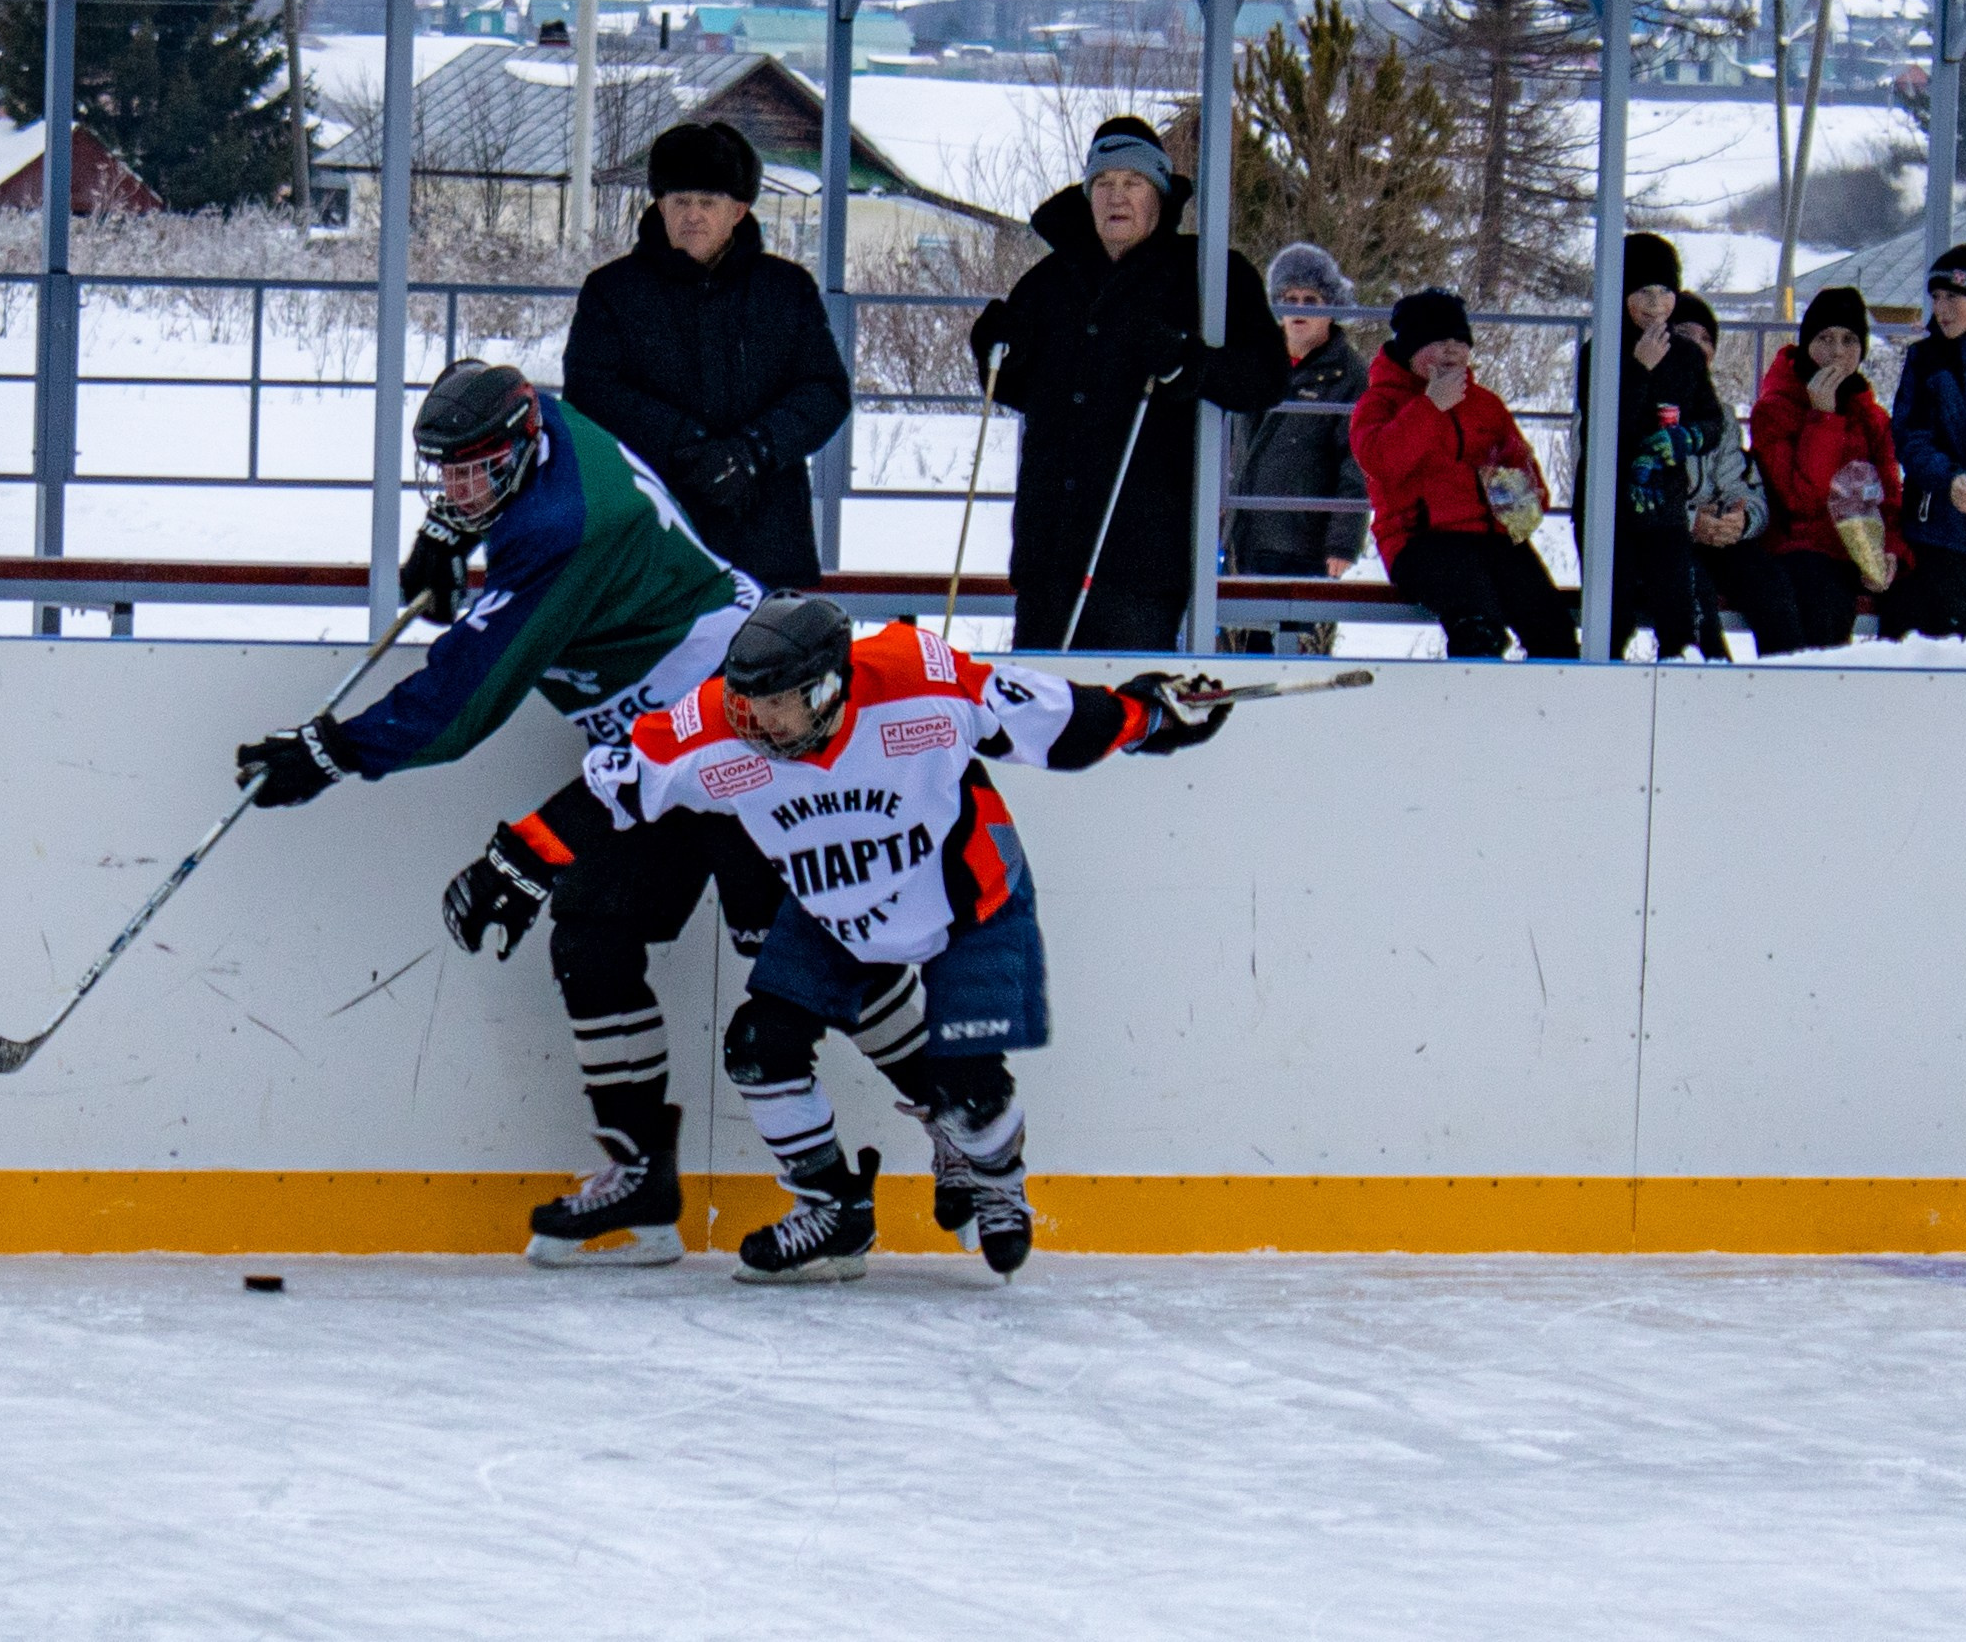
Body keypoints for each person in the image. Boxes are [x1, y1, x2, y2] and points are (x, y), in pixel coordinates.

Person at [446, 595, 1232, 1282]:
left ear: (828, 686)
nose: (755, 725)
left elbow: (1059, 723)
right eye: (744, 705)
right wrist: (511, 862)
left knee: (968, 1095)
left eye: (776, 707)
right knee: (758, 1050)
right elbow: (605, 791)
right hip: (833, 915)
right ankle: (829, 1205)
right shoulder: (714, 727)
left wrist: (1154, 714)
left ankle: (994, 1172)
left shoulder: (917, 679)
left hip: (967, 903)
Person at [233, 360, 776, 1270]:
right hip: (646, 751)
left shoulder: (568, 526)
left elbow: (463, 703)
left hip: (736, 731)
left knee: (806, 961)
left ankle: (968, 1139)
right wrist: (448, 531)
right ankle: (643, 1184)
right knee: (592, 935)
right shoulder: (533, 426)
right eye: (444, 473)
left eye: (471, 474)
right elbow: (485, 506)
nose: (458, 487)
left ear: (522, 450)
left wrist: (332, 751)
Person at [968, 117, 1289, 651]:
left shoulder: (1209, 274)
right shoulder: (1046, 283)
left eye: (1133, 183)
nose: (1117, 197)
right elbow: (1015, 391)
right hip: (1049, 545)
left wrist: (1190, 364)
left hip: (1143, 546)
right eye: (1104, 184)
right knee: (1041, 704)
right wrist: (994, 352)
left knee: (1123, 707)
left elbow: (1266, 378)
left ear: (1160, 196)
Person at [561, 123, 849, 591]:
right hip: (652, 536)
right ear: (659, 205)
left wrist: (754, 450)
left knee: (766, 661)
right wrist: (683, 443)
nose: (692, 215)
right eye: (679, 201)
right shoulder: (612, 291)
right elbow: (590, 390)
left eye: (707, 202)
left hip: (767, 538)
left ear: (738, 210)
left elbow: (825, 392)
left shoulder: (786, 289)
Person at [1350, 289, 1578, 660]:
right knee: (1477, 627)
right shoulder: (1381, 402)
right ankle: (1467, 708)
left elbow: (1528, 478)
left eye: (1460, 341)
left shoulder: (1485, 404)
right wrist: (1430, 406)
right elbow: (1380, 462)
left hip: (1495, 539)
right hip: (1420, 540)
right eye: (1438, 341)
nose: (1452, 350)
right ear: (1411, 348)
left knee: (1553, 630)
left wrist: (1515, 493)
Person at [1574, 232, 1726, 660]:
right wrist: (1639, 369)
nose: (1656, 303)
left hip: (1665, 510)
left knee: (1680, 622)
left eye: (1665, 291)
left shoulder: (1687, 356)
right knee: (1611, 622)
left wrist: (1687, 437)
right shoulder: (1599, 352)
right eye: (1643, 291)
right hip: (1608, 510)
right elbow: (1605, 427)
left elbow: (1712, 421)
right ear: (1620, 294)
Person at [1227, 242, 1370, 653]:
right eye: (1289, 299)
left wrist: (1344, 539)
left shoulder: (1347, 372)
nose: (1300, 308)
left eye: (1311, 299)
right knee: (1240, 650)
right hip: (1245, 534)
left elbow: (1356, 460)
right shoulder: (1256, 358)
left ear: (1332, 305)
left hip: (1305, 540)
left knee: (1300, 650)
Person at [1747, 287, 1907, 652]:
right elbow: (1799, 499)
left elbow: (1890, 497)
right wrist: (1823, 417)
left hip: (1860, 546)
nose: (1837, 351)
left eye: (1849, 339)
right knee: (1820, 599)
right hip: (1800, 546)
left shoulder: (1872, 415)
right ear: (1806, 343)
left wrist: (1890, 551)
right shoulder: (1775, 409)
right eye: (1825, 338)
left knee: (1918, 597)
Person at [1666, 294, 1779, 655]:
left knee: (1769, 584)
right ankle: (1710, 688)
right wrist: (1688, 521)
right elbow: (1629, 494)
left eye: (1706, 339)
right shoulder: (1637, 404)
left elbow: (1742, 485)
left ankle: (1788, 690)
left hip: (1712, 538)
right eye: (1685, 334)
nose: (1696, 348)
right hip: (1660, 539)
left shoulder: (1722, 417)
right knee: (1691, 593)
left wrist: (1740, 520)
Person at [1889, 249, 1966, 639]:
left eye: (1952, 297)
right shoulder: (1925, 359)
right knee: (1948, 639)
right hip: (1937, 529)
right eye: (1936, 298)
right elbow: (1910, 437)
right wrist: (1950, 478)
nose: (1941, 309)